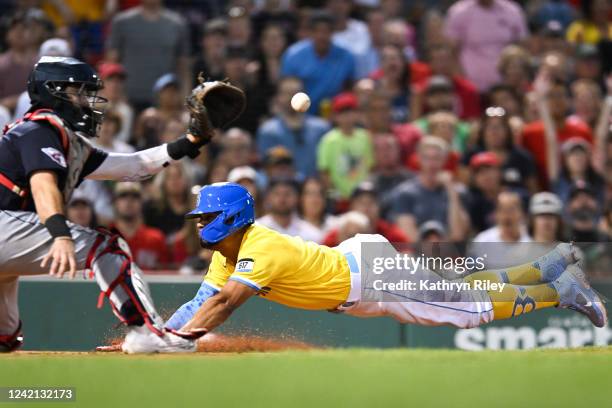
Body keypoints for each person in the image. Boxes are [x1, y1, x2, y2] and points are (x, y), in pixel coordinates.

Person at [137, 182, 607, 353]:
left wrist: (178, 342)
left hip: (369, 278)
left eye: (206, 217)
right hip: (358, 272)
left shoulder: (261, 245)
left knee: (470, 309)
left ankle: (560, 290)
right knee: (459, 291)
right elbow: (201, 301)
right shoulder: (228, 253)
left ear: (230, 217)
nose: (200, 225)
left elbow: (223, 304)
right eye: (198, 218)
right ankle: (548, 264)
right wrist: (160, 335)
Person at [0, 56, 215, 353]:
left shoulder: (63, 138)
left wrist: (190, 141)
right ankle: (145, 332)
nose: (87, 101)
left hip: (9, 234)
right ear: (52, 91)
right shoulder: (38, 130)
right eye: (79, 91)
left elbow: (132, 165)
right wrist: (60, 233)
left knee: (6, 338)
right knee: (106, 246)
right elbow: (42, 184)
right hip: (5, 227)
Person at [106, 0, 191, 111]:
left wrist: (185, 100)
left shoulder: (177, 24)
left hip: (165, 103)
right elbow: (111, 63)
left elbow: (183, 68)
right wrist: (115, 98)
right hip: (128, 101)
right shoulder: (121, 22)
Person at [388, 136, 470, 242]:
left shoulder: (459, 192)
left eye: (436, 158)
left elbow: (458, 234)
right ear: (419, 159)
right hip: (418, 255)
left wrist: (451, 190)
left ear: (444, 160)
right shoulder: (404, 193)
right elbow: (409, 237)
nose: (432, 164)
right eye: (427, 158)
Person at [444, 0, 528, 92]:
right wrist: (463, 83)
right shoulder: (459, 11)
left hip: (507, 88)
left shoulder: (512, 10)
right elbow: (451, 52)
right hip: (473, 86)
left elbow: (522, 47)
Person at [280, 11, 355, 114]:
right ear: (310, 33)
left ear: (333, 33)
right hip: (300, 115)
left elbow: (349, 89)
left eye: (326, 31)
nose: (321, 36)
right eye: (317, 31)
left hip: (336, 116)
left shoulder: (346, 56)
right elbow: (286, 90)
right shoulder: (294, 55)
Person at [256, 77, 330, 177]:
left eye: (297, 93)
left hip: (316, 189)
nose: (292, 97)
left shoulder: (321, 128)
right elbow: (265, 167)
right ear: (278, 97)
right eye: (286, 93)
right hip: (283, 188)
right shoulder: (268, 131)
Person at [317, 92, 373, 200]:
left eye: (350, 112)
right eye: (342, 113)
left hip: (361, 197)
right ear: (335, 116)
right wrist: (335, 196)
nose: (347, 117)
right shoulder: (328, 140)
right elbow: (324, 172)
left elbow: (370, 167)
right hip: (338, 199)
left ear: (357, 114)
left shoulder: (365, 137)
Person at [111, 182, 169, 270]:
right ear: (115, 202)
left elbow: (165, 275)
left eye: (135, 196)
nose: (129, 201)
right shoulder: (105, 238)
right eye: (123, 196)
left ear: (142, 202)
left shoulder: (156, 238)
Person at [256, 178, 323, 243]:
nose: (282, 199)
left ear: (297, 198)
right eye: (277, 194)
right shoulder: (257, 229)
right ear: (268, 198)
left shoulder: (312, 234)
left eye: (287, 194)